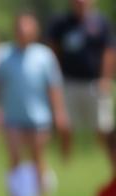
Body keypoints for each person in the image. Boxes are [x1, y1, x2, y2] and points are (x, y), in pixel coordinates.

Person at [0, 12, 71, 196]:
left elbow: (54, 87)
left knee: (38, 159)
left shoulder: (44, 55)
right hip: (12, 116)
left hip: (38, 117)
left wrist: (59, 113)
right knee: (15, 159)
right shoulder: (3, 54)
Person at [47, 0, 116, 146]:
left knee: (103, 126)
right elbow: (53, 51)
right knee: (65, 126)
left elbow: (109, 51)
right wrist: (55, 78)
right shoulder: (61, 23)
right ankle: (66, 161)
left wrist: (106, 78)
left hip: (95, 83)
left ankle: (107, 157)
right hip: (68, 82)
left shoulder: (101, 22)